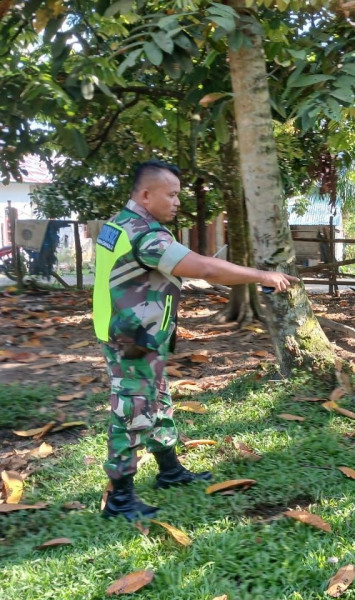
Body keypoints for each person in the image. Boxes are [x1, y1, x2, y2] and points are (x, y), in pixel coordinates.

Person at [92, 160, 298, 521]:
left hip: (131, 332)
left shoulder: (116, 226)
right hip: (130, 339)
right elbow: (203, 268)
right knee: (132, 411)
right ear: (145, 194)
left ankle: (170, 471)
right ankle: (120, 499)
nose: (176, 203)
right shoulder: (146, 235)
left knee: (157, 401)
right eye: (170, 195)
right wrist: (262, 274)